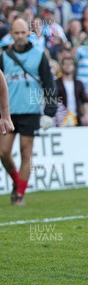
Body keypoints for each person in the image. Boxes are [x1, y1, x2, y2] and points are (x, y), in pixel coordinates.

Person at [0, 17, 57, 206]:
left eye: (23, 32)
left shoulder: (39, 55)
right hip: (9, 112)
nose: (19, 36)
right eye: (16, 33)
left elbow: (49, 84)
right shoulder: (4, 57)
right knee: (3, 152)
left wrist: (49, 112)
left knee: (26, 153)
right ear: (11, 34)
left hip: (31, 111)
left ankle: (19, 195)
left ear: (28, 33)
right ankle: (18, 182)